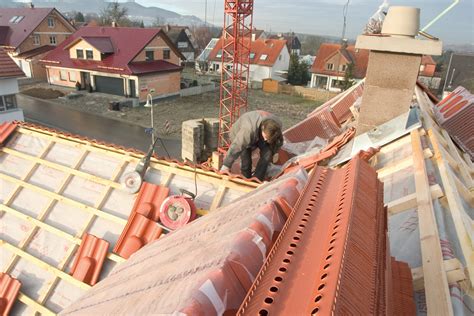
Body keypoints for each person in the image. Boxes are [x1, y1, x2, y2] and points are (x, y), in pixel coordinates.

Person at [220, 110, 283, 181]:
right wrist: (226, 165)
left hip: (258, 133)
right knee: (246, 162)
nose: (265, 140)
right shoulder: (248, 130)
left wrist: (273, 153)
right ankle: (245, 178)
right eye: (265, 137)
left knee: (267, 155)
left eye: (267, 138)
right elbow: (236, 147)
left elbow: (278, 142)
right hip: (239, 135)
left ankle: (257, 179)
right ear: (262, 128)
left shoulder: (277, 126)